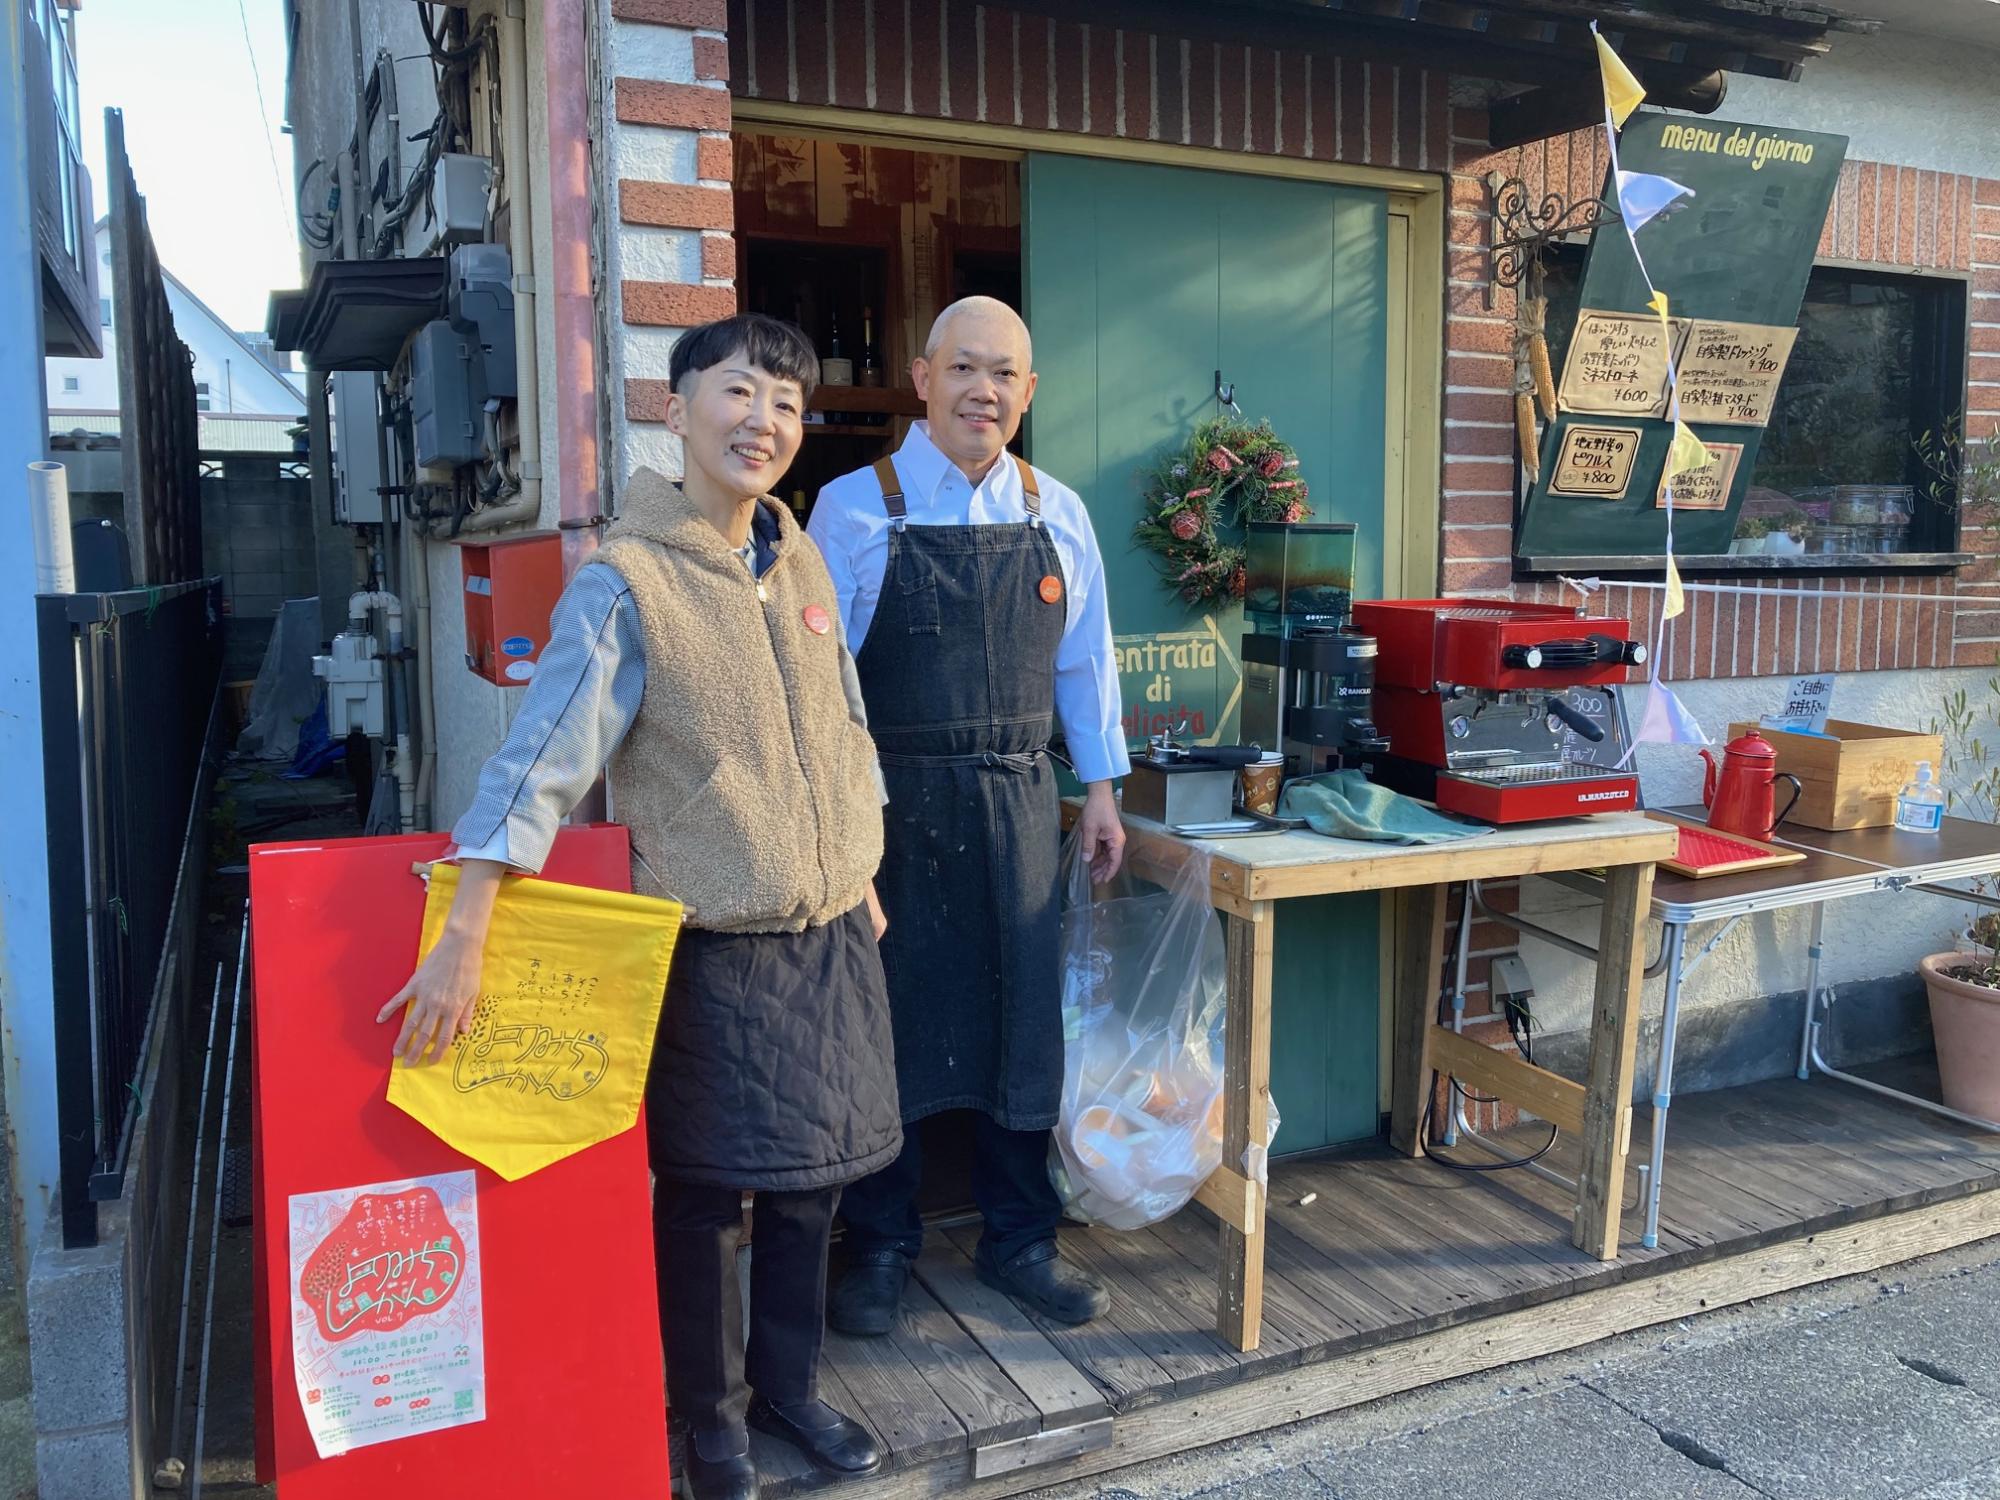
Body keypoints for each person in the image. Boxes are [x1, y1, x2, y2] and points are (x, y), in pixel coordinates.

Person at [378, 314, 899, 1500]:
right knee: (712, 1197)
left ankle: (792, 1390)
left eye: (785, 399)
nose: (763, 419)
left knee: (816, 1182)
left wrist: (860, 868)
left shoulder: (803, 555)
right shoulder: (629, 579)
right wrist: (464, 929)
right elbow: (541, 760)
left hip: (827, 931)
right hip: (712, 943)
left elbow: (845, 728)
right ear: (677, 409)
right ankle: (710, 1425)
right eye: (736, 391)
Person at [809, 295, 1128, 1336]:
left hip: (1014, 804)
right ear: (921, 377)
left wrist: (1102, 791)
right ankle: (880, 1246)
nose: (982, 391)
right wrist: (840, 834)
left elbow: (1086, 664)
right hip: (890, 813)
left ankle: (1019, 1241)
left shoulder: (1056, 512)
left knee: (1018, 1026)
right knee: (886, 1032)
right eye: (962, 370)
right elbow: (821, 691)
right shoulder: (855, 507)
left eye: (1003, 375)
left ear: (1027, 393)